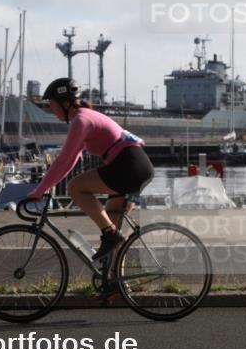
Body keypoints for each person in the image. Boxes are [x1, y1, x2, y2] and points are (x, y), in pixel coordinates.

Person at [26, 78, 155, 262]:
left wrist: (39, 190)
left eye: (52, 106)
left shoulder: (81, 119)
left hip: (128, 166)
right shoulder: (84, 117)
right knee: (112, 229)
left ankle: (110, 234)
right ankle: (116, 286)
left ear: (65, 104)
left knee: (75, 187)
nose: (51, 111)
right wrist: (45, 187)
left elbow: (63, 160)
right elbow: (72, 160)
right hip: (135, 165)